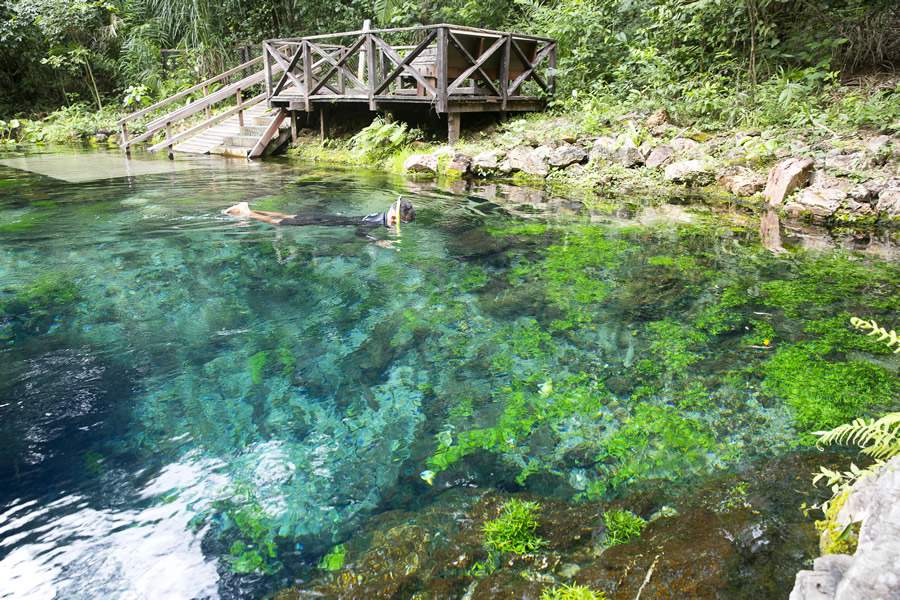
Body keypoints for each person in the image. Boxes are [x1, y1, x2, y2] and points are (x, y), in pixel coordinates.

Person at [224, 197, 415, 230]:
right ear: (395, 218)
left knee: (288, 215)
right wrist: (377, 241)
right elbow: (360, 232)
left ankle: (249, 208)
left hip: (330, 218)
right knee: (282, 222)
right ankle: (247, 213)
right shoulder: (376, 223)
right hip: (328, 222)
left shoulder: (380, 215)